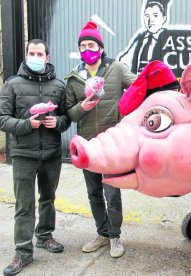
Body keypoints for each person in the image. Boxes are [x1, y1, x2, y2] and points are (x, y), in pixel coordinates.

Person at [65, 21, 136, 258]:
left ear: (101, 48)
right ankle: (102, 234)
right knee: (94, 193)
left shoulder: (115, 68)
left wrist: (127, 113)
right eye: (83, 45)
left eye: (92, 44)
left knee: (112, 192)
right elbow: (69, 113)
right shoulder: (75, 78)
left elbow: (137, 86)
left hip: (112, 144)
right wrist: (82, 106)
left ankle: (115, 236)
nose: (88, 49)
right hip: (88, 145)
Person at [0, 39, 70, 275]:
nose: (35, 57)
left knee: (48, 198)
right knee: (24, 205)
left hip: (51, 153)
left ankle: (45, 236)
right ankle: (22, 252)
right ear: (26, 55)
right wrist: (26, 124)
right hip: (23, 155)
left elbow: (66, 118)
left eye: (40, 53)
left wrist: (57, 122)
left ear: (47, 58)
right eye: (32, 53)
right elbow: (2, 119)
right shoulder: (12, 84)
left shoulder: (59, 86)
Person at [118, 0, 171, 73]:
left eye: (155, 15)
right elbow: (124, 59)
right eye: (147, 16)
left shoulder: (169, 38)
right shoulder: (141, 38)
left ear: (164, 18)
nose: (150, 20)